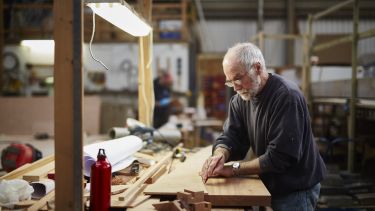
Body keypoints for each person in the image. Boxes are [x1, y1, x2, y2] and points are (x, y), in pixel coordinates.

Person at [199, 42, 326, 210]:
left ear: (257, 68)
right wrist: (220, 155)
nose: (235, 88)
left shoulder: (286, 97)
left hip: (295, 188)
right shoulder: (240, 99)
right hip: (270, 183)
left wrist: (233, 169)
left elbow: (279, 158)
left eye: (237, 78)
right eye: (230, 82)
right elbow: (232, 137)